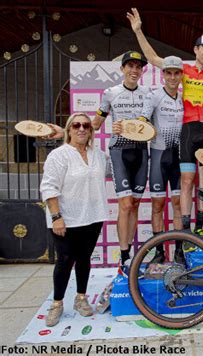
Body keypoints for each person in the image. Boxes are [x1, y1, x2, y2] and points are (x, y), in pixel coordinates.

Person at [128, 8, 203, 248]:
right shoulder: (183, 71)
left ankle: (200, 231)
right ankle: (187, 235)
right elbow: (152, 59)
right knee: (186, 182)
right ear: (196, 50)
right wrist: (138, 31)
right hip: (188, 132)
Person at [40, 113, 108, 327]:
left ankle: (81, 297)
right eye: (76, 125)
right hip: (66, 218)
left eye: (86, 125)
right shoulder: (59, 155)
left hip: (93, 216)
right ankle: (57, 303)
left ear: (91, 130)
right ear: (69, 130)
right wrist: (56, 216)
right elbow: (49, 187)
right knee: (65, 260)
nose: (81, 129)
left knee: (85, 258)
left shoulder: (98, 154)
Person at [91, 51, 151, 270]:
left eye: (138, 67)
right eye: (130, 66)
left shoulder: (148, 94)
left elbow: (152, 126)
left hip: (141, 152)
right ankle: (124, 254)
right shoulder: (110, 93)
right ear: (122, 69)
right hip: (119, 151)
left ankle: (130, 253)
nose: (134, 71)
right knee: (124, 204)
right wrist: (109, 126)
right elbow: (96, 123)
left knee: (134, 204)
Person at [137, 56, 185, 263]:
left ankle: (179, 251)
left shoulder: (185, 97)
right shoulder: (154, 96)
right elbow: (142, 120)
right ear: (163, 75)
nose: (173, 77)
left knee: (177, 204)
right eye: (169, 73)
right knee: (157, 205)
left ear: (181, 75)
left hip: (178, 157)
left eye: (176, 73)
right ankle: (159, 252)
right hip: (158, 156)